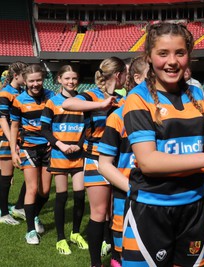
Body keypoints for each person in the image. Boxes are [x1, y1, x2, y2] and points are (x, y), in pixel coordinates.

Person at [121, 22, 204, 266]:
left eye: (180, 53)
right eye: (163, 53)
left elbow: (200, 151)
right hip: (151, 207)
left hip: (193, 205)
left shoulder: (195, 96)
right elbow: (148, 162)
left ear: (189, 56)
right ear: (149, 57)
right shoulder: (137, 99)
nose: (172, 61)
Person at [62, 57, 126, 267]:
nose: (126, 78)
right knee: (99, 212)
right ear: (117, 75)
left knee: (116, 211)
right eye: (125, 74)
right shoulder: (91, 95)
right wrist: (101, 104)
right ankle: (95, 263)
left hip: (119, 160)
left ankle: (116, 256)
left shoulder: (122, 98)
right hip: (95, 159)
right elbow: (67, 103)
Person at [98, 56, 148, 267]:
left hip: (158, 199)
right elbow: (104, 164)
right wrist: (133, 188)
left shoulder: (163, 116)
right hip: (127, 196)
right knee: (122, 255)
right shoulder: (117, 117)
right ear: (137, 79)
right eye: (151, 76)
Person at [40, 65, 88, 255]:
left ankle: (75, 233)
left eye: (74, 78)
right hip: (60, 155)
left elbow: (87, 128)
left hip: (77, 154)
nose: (71, 82)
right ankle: (61, 238)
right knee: (61, 196)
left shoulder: (83, 101)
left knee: (79, 195)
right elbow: (44, 129)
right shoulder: (52, 103)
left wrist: (80, 144)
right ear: (59, 79)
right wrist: (59, 144)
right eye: (67, 78)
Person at [10, 64, 55, 244]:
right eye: (31, 81)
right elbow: (14, 127)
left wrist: (54, 140)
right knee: (32, 189)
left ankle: (34, 215)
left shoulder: (51, 97)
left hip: (48, 148)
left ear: (43, 79)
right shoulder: (19, 100)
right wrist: (14, 150)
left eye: (38, 80)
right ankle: (30, 231)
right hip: (28, 148)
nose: (35, 84)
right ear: (25, 81)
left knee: (44, 192)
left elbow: (57, 120)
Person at [0, 61, 28, 225]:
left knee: (31, 173)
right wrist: (12, 142)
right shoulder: (5, 93)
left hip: (21, 137)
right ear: (16, 76)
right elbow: (2, 120)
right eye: (25, 76)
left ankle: (18, 206)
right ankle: (3, 213)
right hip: (7, 139)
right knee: (6, 176)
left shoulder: (21, 92)